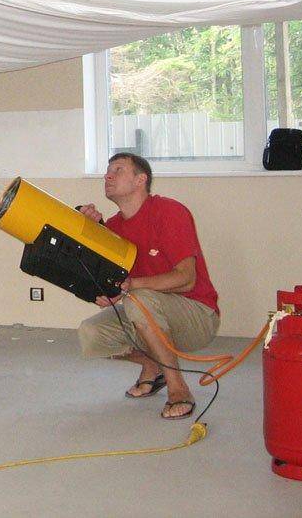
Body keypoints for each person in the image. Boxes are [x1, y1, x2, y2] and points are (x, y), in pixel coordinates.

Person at [77, 153, 219, 420]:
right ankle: (152, 364)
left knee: (138, 298)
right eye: (107, 170)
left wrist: (131, 286)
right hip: (148, 312)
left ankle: (178, 389)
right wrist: (89, 228)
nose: (108, 175)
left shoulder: (169, 212)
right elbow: (109, 281)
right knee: (91, 333)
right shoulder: (113, 228)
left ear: (140, 180)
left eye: (118, 170)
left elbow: (186, 278)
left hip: (197, 315)